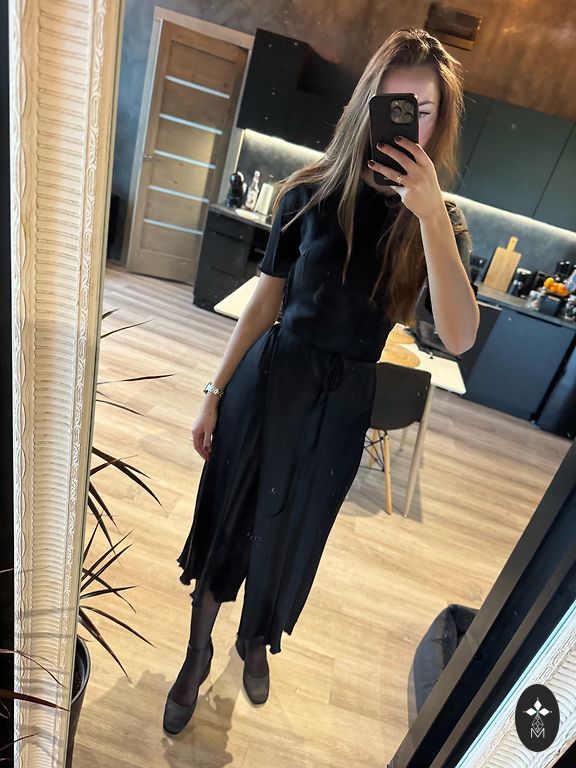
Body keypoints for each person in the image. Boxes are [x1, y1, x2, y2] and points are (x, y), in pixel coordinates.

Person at [163, 27, 479, 734]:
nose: (407, 121)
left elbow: (459, 337)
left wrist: (429, 214)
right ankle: (196, 651)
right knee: (230, 518)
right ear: (369, 102)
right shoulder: (307, 191)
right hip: (272, 381)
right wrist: (213, 394)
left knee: (294, 530)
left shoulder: (440, 222)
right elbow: (264, 302)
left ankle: (255, 639)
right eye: (394, 103)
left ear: (440, 122)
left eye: (423, 110)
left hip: (342, 406)